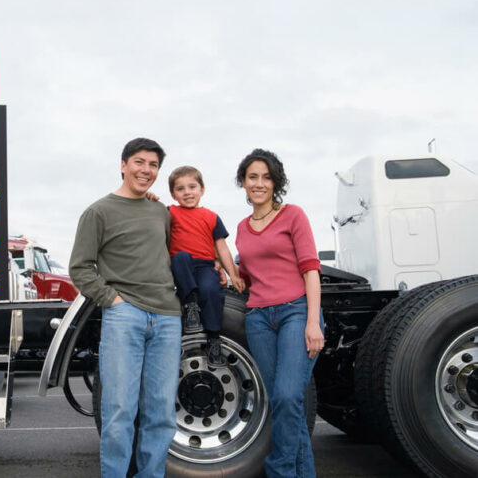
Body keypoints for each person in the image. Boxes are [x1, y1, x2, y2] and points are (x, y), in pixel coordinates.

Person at [69, 137, 181, 478]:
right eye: (139, 162)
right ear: (123, 164)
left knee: (161, 412)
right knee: (119, 410)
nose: (146, 170)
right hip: (125, 316)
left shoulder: (160, 210)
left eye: (153, 165)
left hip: (167, 317)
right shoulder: (98, 212)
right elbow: (80, 267)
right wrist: (113, 301)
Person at [234, 148, 325, 478]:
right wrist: (227, 272)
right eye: (253, 177)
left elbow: (310, 270)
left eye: (266, 177)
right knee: (283, 403)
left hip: (295, 312)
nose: (259, 183)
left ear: (276, 182)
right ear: (243, 183)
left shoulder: (293, 215)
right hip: (258, 318)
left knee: (288, 396)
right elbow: (247, 277)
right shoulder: (243, 227)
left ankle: (280, 470)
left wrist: (313, 322)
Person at [166, 166, 245, 368]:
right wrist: (149, 198)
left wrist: (233, 275)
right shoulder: (169, 212)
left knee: (211, 290)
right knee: (181, 257)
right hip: (181, 266)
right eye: (180, 189)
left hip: (204, 266)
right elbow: (150, 216)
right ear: (173, 194)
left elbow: (222, 248)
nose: (187, 192)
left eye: (192, 187)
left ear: (202, 189)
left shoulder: (211, 217)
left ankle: (213, 338)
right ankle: (190, 305)